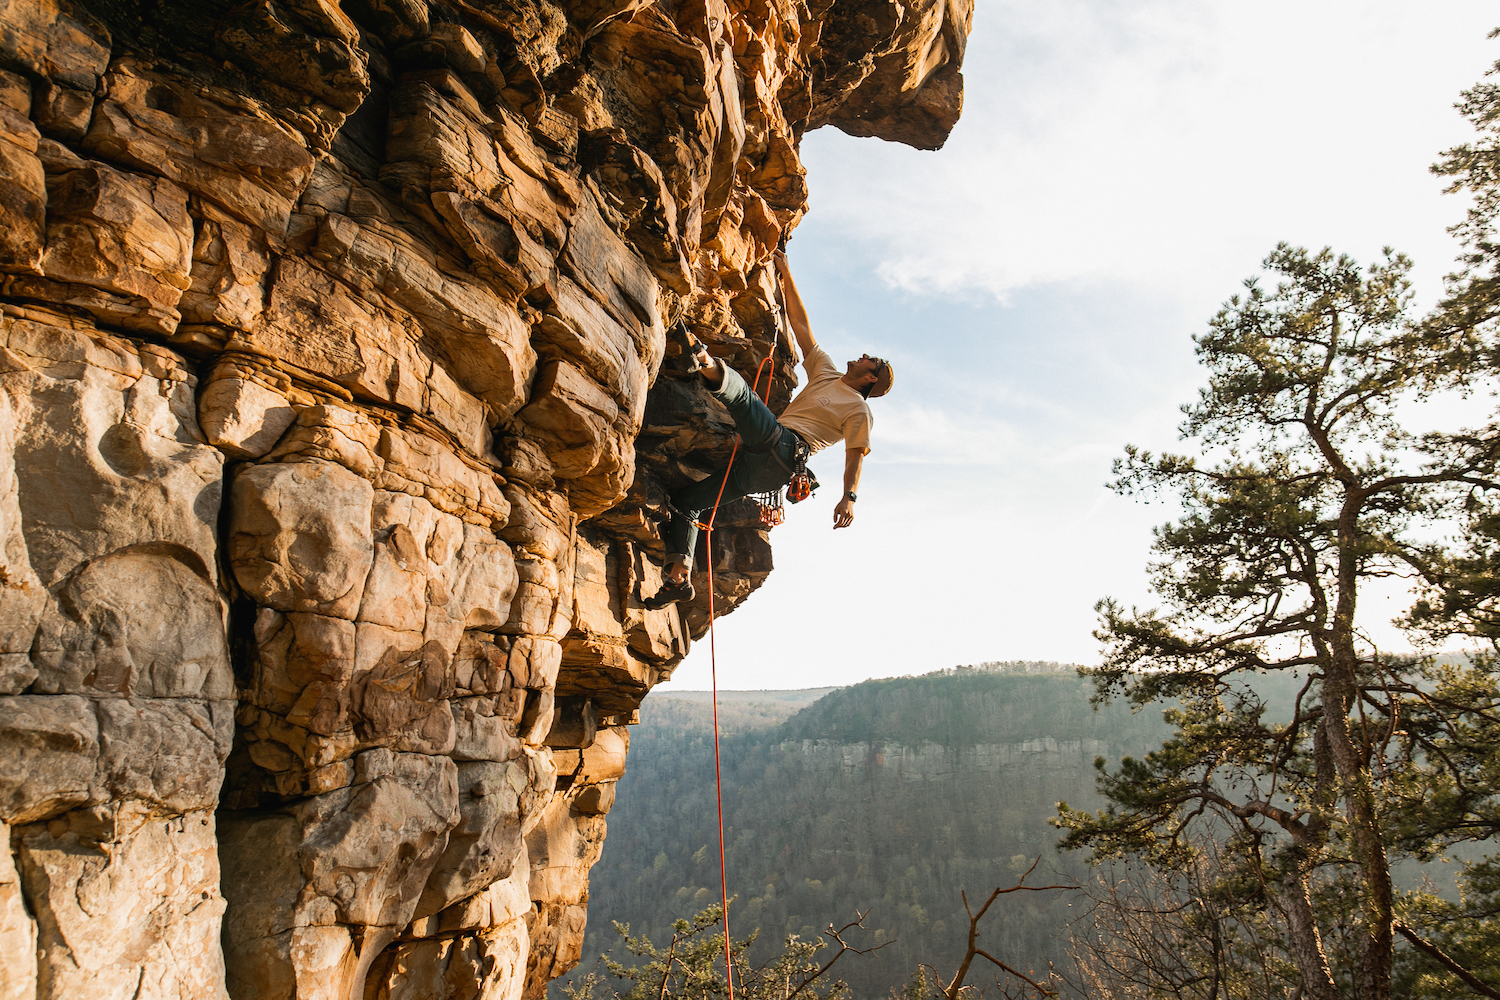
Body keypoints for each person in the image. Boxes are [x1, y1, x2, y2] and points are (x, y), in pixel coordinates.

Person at [644, 251, 894, 609]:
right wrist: (785, 272)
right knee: (688, 504)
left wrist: (849, 498)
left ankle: (702, 359)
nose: (866, 355)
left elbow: (855, 456)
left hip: (783, 450)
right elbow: (800, 326)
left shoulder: (859, 409)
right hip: (760, 468)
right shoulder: (826, 371)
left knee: (744, 398)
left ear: (871, 377)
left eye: (874, 360)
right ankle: (678, 578)